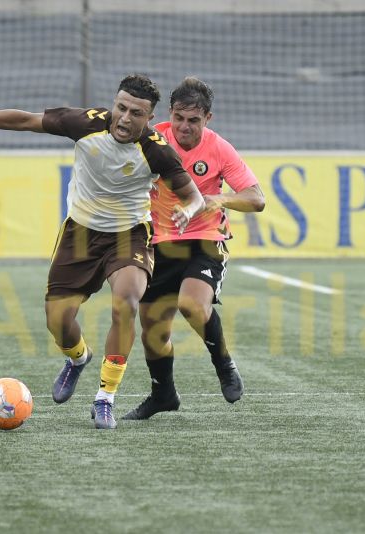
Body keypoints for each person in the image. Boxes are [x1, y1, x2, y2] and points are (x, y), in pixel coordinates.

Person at [0, 74, 204, 429]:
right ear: (114, 104)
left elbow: (193, 196)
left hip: (129, 235)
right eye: (121, 108)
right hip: (80, 234)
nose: (124, 118)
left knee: (127, 301)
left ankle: (105, 398)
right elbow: (25, 120)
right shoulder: (85, 124)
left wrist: (188, 211)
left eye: (136, 113)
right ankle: (78, 358)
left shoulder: (157, 150)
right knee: (57, 321)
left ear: (149, 118)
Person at [123, 76, 266, 421]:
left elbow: (256, 199)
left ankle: (224, 363)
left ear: (208, 119)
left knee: (191, 304)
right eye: (178, 118)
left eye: (194, 120)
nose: (184, 127)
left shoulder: (219, 148)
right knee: (153, 329)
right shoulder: (152, 138)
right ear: (170, 114)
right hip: (158, 242)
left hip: (205, 239)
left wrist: (217, 199)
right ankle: (163, 395)